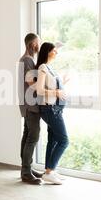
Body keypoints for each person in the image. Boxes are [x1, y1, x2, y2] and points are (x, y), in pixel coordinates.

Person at [35, 42, 69, 185]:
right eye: (54, 51)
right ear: (48, 52)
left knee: (53, 140)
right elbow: (39, 90)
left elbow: (54, 88)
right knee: (64, 140)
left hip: (55, 108)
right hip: (50, 109)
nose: (56, 53)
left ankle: (49, 171)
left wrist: (63, 84)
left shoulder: (51, 68)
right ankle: (50, 171)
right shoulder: (43, 67)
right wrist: (57, 92)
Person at [18, 33, 44, 184]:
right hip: (30, 105)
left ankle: (26, 168)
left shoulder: (25, 60)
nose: (38, 46)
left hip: (27, 104)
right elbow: (31, 83)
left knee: (27, 134)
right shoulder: (27, 60)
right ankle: (26, 172)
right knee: (33, 136)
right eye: (37, 43)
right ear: (32, 44)